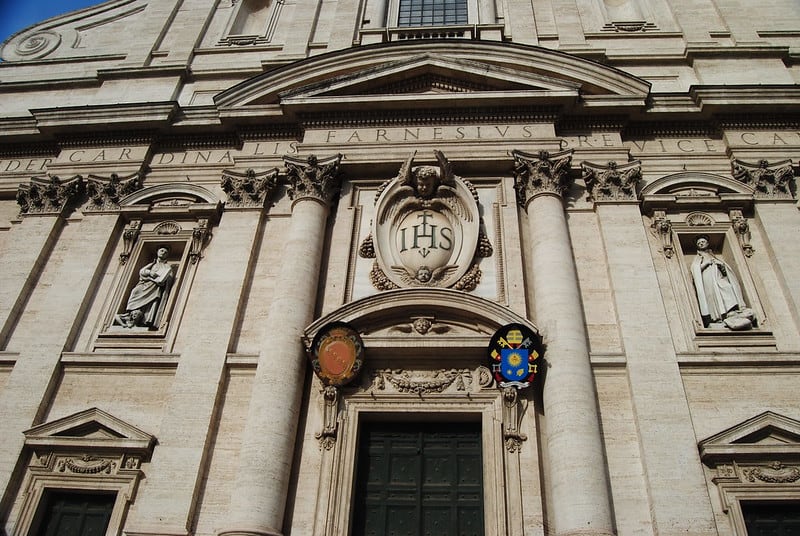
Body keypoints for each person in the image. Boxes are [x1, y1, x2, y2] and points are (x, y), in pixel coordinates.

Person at [690, 235, 753, 330]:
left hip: (719, 277)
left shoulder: (712, 255)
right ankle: (718, 317)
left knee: (727, 287)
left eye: (702, 242)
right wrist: (706, 263)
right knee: (713, 296)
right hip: (708, 279)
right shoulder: (698, 257)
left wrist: (722, 266)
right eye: (699, 243)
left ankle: (731, 312)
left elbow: (725, 270)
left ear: (707, 243)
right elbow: (696, 270)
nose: (701, 244)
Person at [115, 246, 174, 329]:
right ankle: (129, 314)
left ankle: (141, 320)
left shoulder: (167, 267)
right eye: (162, 250)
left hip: (154, 288)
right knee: (134, 292)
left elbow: (166, 279)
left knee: (149, 304)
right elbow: (142, 271)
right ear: (157, 251)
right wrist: (149, 272)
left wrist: (163, 280)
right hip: (143, 284)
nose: (163, 252)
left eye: (166, 252)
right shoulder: (152, 263)